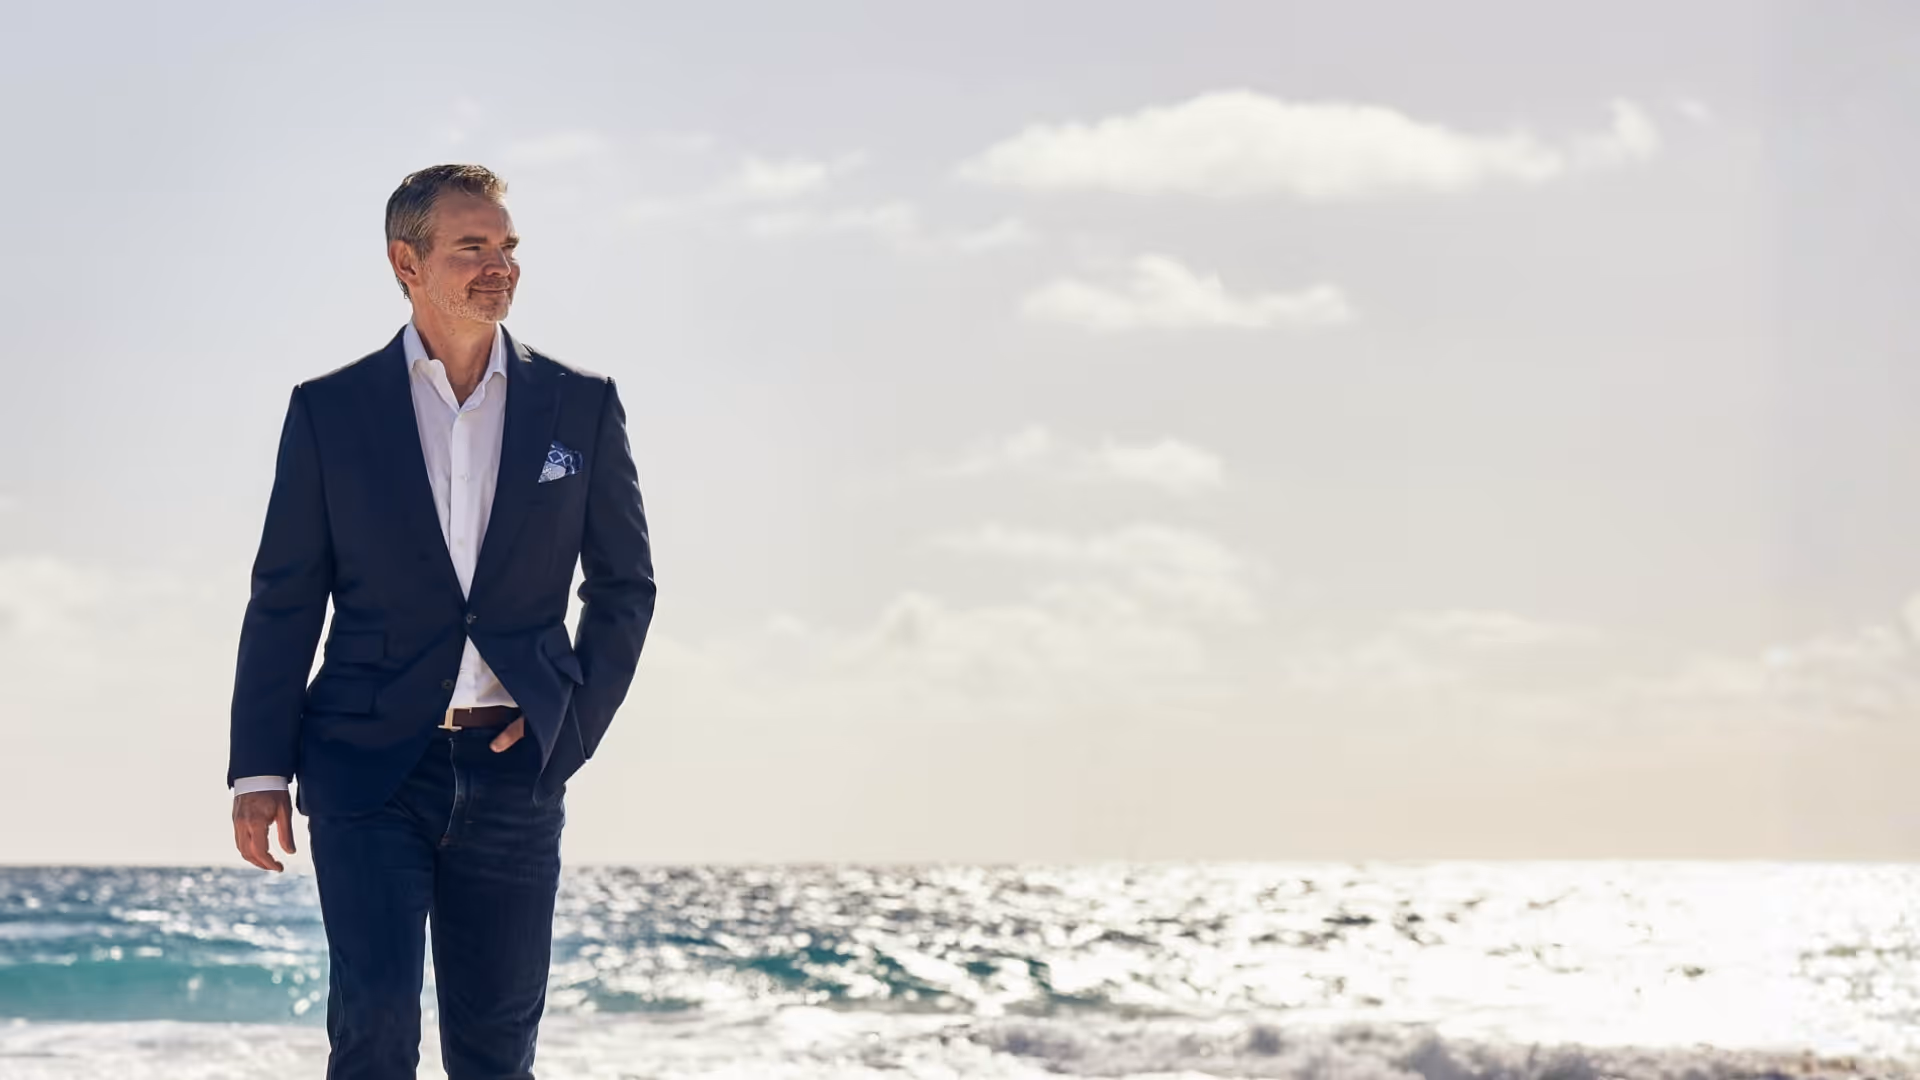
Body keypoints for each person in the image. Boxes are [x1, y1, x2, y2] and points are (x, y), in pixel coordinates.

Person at [225, 163, 657, 1078]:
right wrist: (259, 767)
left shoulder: (580, 405)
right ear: (406, 262)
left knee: (497, 1050)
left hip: (513, 772)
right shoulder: (330, 412)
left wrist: (567, 729)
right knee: (375, 1030)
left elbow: (625, 587)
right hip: (368, 763)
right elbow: (286, 597)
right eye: (472, 247)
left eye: (507, 247)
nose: (497, 265)